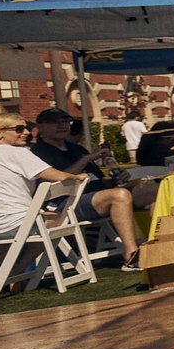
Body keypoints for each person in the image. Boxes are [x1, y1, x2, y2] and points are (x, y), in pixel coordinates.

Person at [0, 114, 106, 311]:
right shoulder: (16, 153)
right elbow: (57, 176)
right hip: (13, 223)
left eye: (26, 127)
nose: (27, 132)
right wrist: (78, 176)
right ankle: (12, 275)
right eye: (19, 129)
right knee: (57, 220)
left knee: (10, 240)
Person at [25, 109, 141, 272]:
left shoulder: (76, 149)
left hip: (93, 197)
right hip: (63, 205)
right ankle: (131, 256)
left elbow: (96, 179)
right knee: (119, 196)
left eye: (65, 121)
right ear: (40, 127)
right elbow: (54, 180)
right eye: (55, 122)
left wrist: (115, 179)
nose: (62, 125)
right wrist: (86, 159)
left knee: (151, 190)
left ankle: (161, 244)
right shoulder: (37, 153)